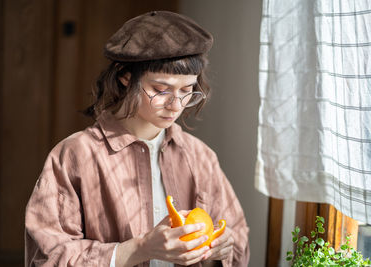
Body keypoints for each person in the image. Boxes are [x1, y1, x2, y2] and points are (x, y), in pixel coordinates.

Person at [25, 10, 250, 267]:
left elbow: (238, 236)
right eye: (161, 90)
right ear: (125, 77)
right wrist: (138, 249)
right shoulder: (75, 155)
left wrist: (223, 246)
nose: (176, 105)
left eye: (187, 91)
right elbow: (46, 257)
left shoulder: (200, 156)